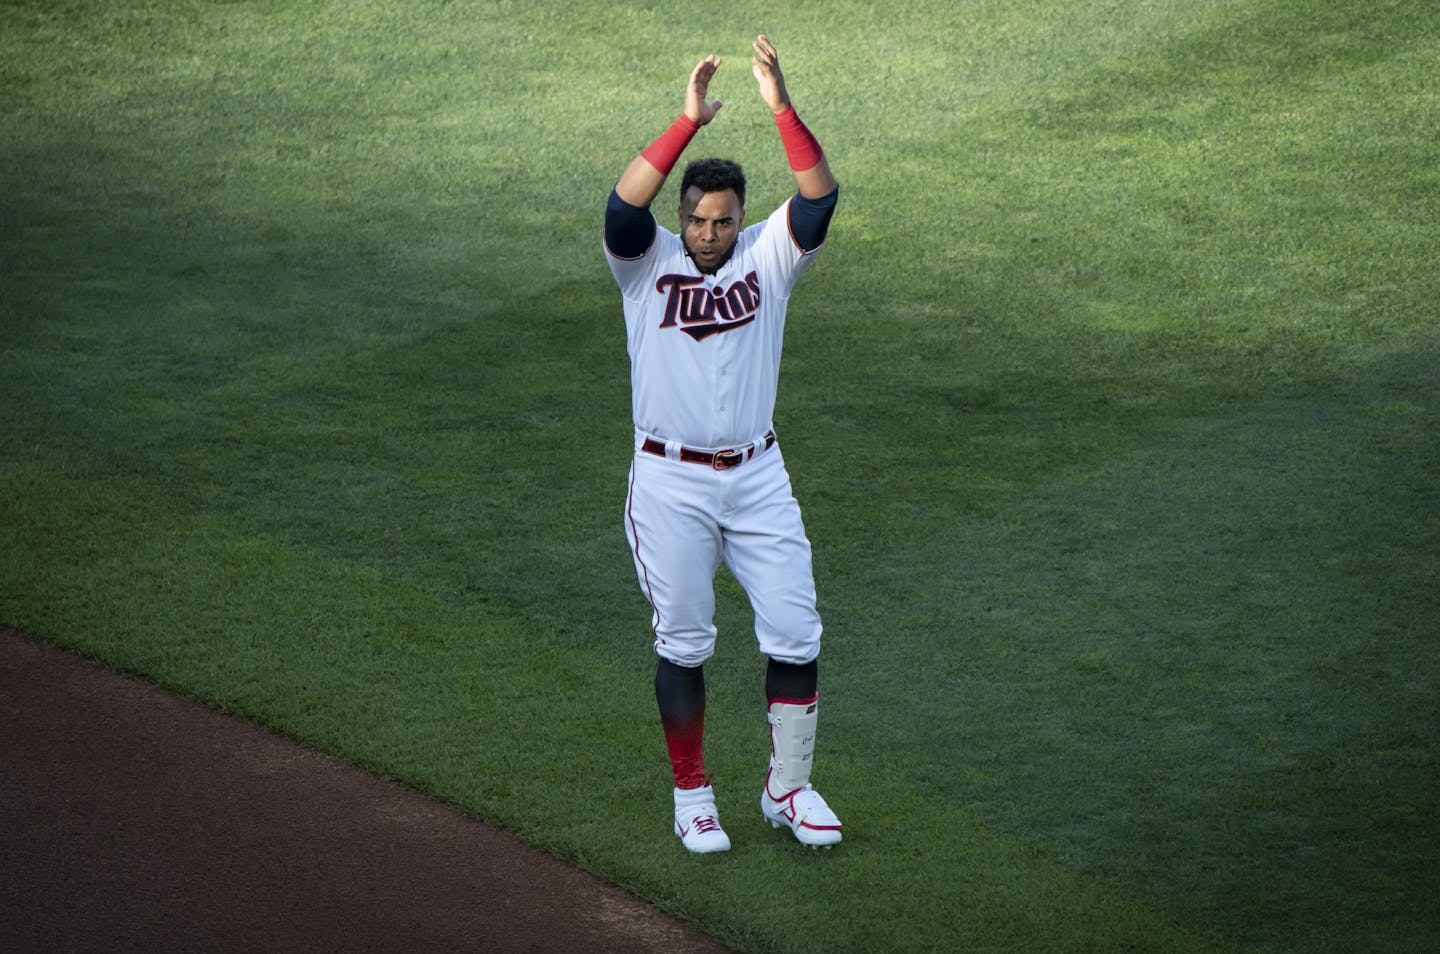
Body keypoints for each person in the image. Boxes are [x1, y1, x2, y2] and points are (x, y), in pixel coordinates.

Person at [602, 35, 842, 853]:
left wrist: (779, 105)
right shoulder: (646, 267)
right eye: (699, 220)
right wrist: (684, 121)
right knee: (686, 641)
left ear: (743, 218)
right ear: (684, 219)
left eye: (724, 220)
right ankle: (692, 793)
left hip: (759, 474)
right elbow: (619, 210)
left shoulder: (768, 261)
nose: (711, 233)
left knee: (796, 630)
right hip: (669, 483)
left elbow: (816, 200)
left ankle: (789, 788)